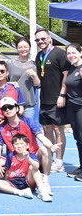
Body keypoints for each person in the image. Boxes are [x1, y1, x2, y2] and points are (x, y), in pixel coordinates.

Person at [0, 96, 58, 189]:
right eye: (4, 108)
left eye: (10, 107)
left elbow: (42, 138)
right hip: (15, 157)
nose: (7, 110)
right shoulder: (1, 128)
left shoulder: (28, 122)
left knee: (44, 149)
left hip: (33, 155)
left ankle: (45, 179)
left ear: (16, 108)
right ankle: (2, 174)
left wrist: (51, 146)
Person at [34, 28, 70, 173]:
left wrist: (62, 95)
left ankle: (59, 162)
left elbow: (66, 75)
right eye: (37, 40)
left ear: (49, 38)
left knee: (58, 130)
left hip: (57, 99)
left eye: (43, 38)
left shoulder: (59, 53)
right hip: (44, 99)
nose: (40, 41)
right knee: (47, 129)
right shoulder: (39, 56)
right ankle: (49, 158)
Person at [0, 133, 52, 202]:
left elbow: (36, 166)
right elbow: (7, 170)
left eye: (22, 144)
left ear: (27, 145)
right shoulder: (10, 156)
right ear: (13, 146)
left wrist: (28, 158)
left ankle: (42, 191)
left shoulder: (31, 155)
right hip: (14, 181)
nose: (19, 146)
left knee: (32, 167)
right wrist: (6, 181)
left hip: (27, 181)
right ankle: (21, 192)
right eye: (16, 144)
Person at [6, 36, 40, 121]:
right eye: (20, 47)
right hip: (12, 104)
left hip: (28, 103)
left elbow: (38, 85)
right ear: (17, 48)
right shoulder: (10, 63)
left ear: (30, 48)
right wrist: (10, 83)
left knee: (28, 127)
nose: (23, 49)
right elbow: (3, 82)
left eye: (25, 47)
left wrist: (34, 75)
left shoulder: (34, 65)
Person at [64, 43, 82, 181]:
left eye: (74, 52)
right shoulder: (71, 68)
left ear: (80, 53)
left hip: (81, 107)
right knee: (77, 138)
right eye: (69, 53)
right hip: (72, 106)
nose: (71, 55)